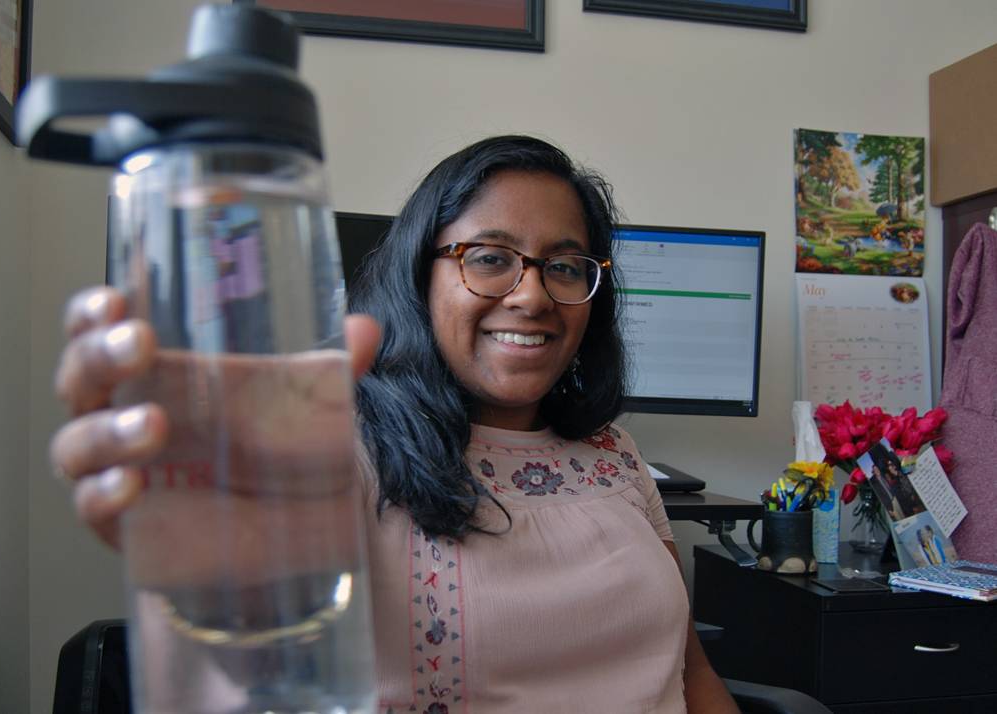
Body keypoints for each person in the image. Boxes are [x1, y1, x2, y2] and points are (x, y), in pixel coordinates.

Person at [51, 135, 739, 712]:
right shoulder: (343, 448)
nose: (532, 295)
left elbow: (692, 675)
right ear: (420, 274)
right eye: (490, 258)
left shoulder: (614, 454)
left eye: (563, 265)